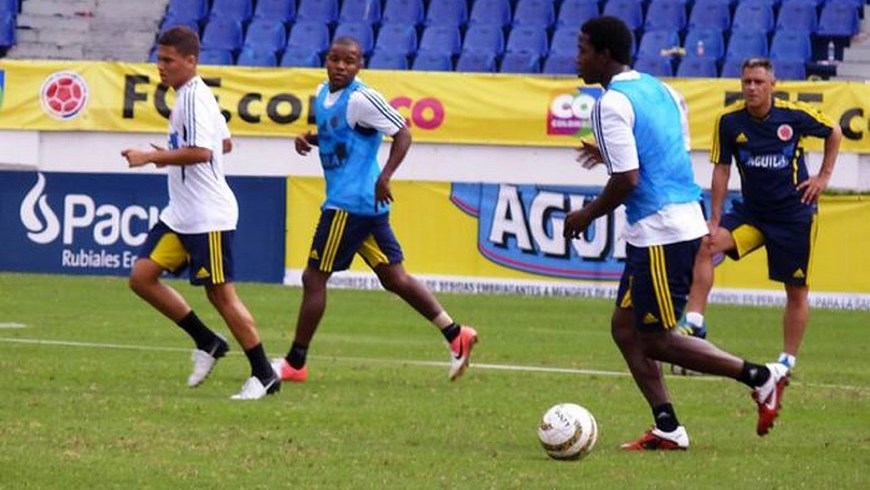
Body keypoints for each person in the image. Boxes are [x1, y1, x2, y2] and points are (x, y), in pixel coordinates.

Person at [564, 16, 789, 449]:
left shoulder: (610, 104)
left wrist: (586, 216)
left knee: (656, 339)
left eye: (583, 49)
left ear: (604, 55)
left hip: (661, 233)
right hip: (670, 223)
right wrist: (607, 151)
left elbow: (628, 179)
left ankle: (760, 376)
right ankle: (667, 425)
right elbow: (665, 153)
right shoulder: (662, 90)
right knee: (625, 328)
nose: (578, 58)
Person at [271, 36, 478, 383]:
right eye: (336, 59)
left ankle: (295, 363)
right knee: (394, 277)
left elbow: (403, 133)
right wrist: (311, 138)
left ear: (360, 65)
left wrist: (386, 176)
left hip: (349, 206)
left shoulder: (362, 98)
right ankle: (455, 334)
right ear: (326, 60)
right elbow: (340, 134)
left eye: (349, 61)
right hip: (363, 207)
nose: (341, 66)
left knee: (313, 278)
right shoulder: (324, 93)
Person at [121, 26, 280, 401]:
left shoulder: (193, 98)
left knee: (221, 295)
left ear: (190, 61)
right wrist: (172, 157)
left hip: (208, 214)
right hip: (182, 213)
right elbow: (223, 142)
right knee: (142, 277)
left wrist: (152, 157)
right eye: (159, 59)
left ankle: (264, 374)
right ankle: (207, 341)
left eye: (168, 61)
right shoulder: (190, 98)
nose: (161, 67)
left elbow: (204, 152)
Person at [677, 57, 842, 374]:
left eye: (758, 82)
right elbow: (722, 169)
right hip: (752, 214)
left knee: (796, 290)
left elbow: (834, 131)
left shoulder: (793, 116)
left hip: (794, 216)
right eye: (746, 82)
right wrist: (714, 218)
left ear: (772, 85)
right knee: (707, 243)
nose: (751, 88)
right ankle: (695, 322)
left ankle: (785, 362)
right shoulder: (729, 122)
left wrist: (823, 177)